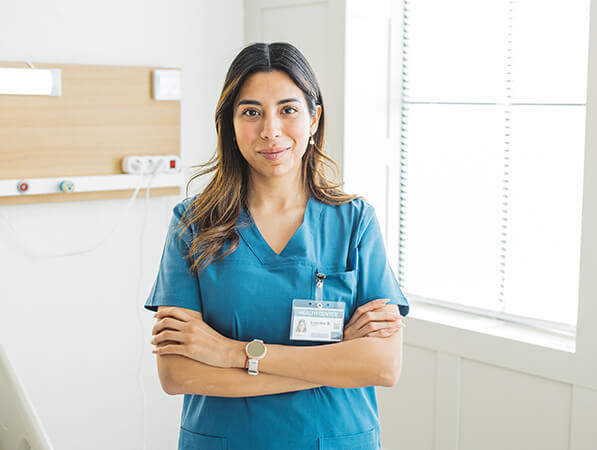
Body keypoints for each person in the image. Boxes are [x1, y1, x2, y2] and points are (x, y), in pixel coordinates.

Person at [144, 41, 409, 450]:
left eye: (288, 109)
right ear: (230, 123)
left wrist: (232, 353)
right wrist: (336, 360)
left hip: (336, 439)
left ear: (314, 118)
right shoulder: (194, 224)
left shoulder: (355, 222)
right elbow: (177, 373)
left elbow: (383, 365)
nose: (271, 130)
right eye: (251, 112)